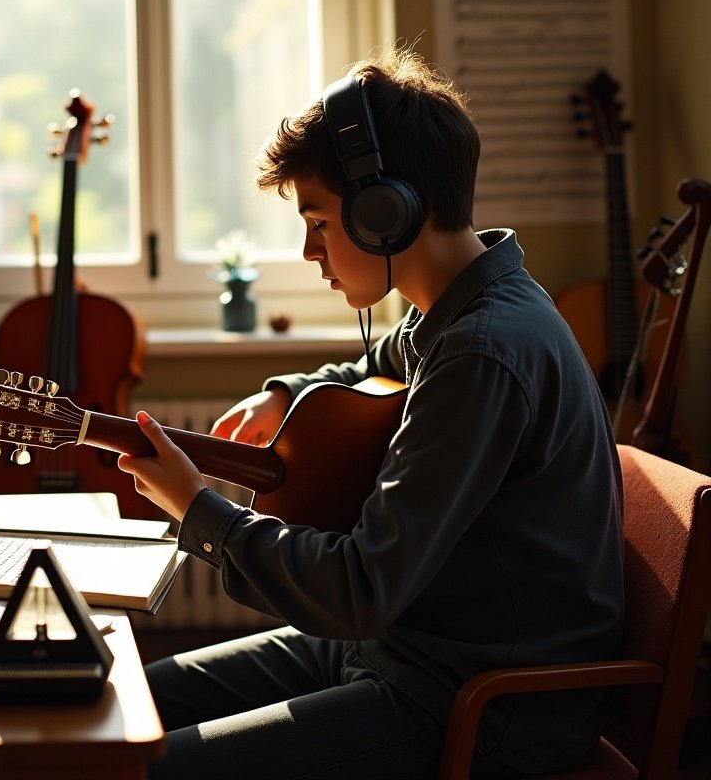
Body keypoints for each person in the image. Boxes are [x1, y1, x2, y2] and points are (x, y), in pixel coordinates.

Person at [117, 45, 624, 779]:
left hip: (475, 708)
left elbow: (359, 589)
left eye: (319, 222)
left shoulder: (482, 351)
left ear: (386, 213)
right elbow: (372, 364)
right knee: (121, 702)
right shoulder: (458, 311)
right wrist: (286, 393)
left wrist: (196, 508)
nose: (308, 250)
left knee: (146, 766)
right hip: (407, 648)